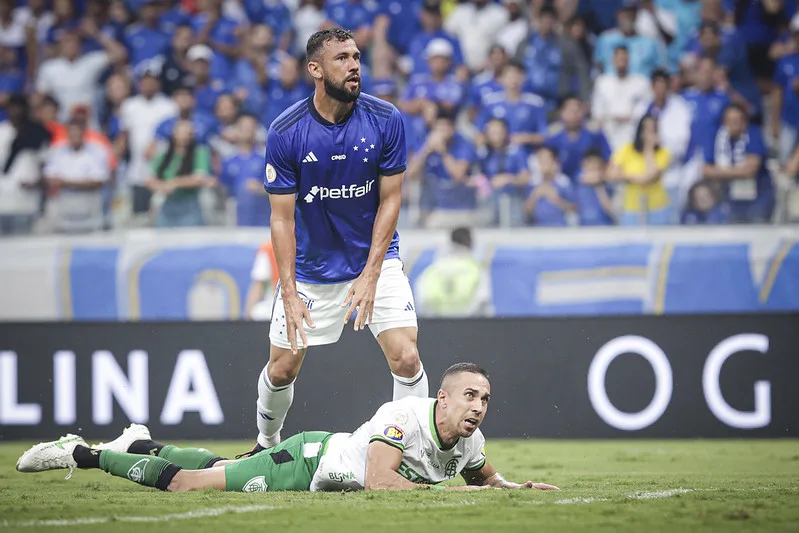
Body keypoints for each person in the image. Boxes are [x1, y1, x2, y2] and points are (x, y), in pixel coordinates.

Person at [252, 28, 428, 457]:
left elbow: (391, 200)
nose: (354, 66)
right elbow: (281, 218)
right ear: (315, 69)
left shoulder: (386, 119)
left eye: (356, 57)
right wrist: (289, 292)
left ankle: (403, 456)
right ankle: (265, 443)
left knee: (406, 357)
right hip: (311, 270)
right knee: (281, 369)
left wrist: (371, 274)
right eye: (342, 58)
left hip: (375, 259)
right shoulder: (286, 131)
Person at [17, 363, 559, 494]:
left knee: (216, 467)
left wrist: (512, 490)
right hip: (309, 460)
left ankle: (140, 443)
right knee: (191, 486)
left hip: (318, 465)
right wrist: (459, 503)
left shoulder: (470, 440)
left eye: (485, 398)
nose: (480, 406)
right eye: (470, 395)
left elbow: (483, 476)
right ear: (442, 396)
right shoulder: (406, 416)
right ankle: (83, 453)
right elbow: (379, 480)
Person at [145, 119, 215, 227]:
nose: (184, 136)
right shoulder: (164, 156)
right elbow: (150, 179)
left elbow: (199, 178)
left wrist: (175, 183)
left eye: (188, 133)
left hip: (189, 205)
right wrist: (161, 187)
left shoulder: (200, 153)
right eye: (181, 132)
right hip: (167, 205)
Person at [606, 115, 671, 226]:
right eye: (646, 129)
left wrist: (649, 148)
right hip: (631, 207)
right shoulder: (626, 149)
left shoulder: (663, 153)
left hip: (657, 207)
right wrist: (635, 177)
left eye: (653, 130)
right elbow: (611, 174)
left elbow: (650, 176)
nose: (648, 134)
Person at [415, 229, 493, 317]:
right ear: (469, 242)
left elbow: (423, 299)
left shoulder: (433, 269)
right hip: (469, 325)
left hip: (437, 326)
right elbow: (482, 300)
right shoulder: (476, 269)